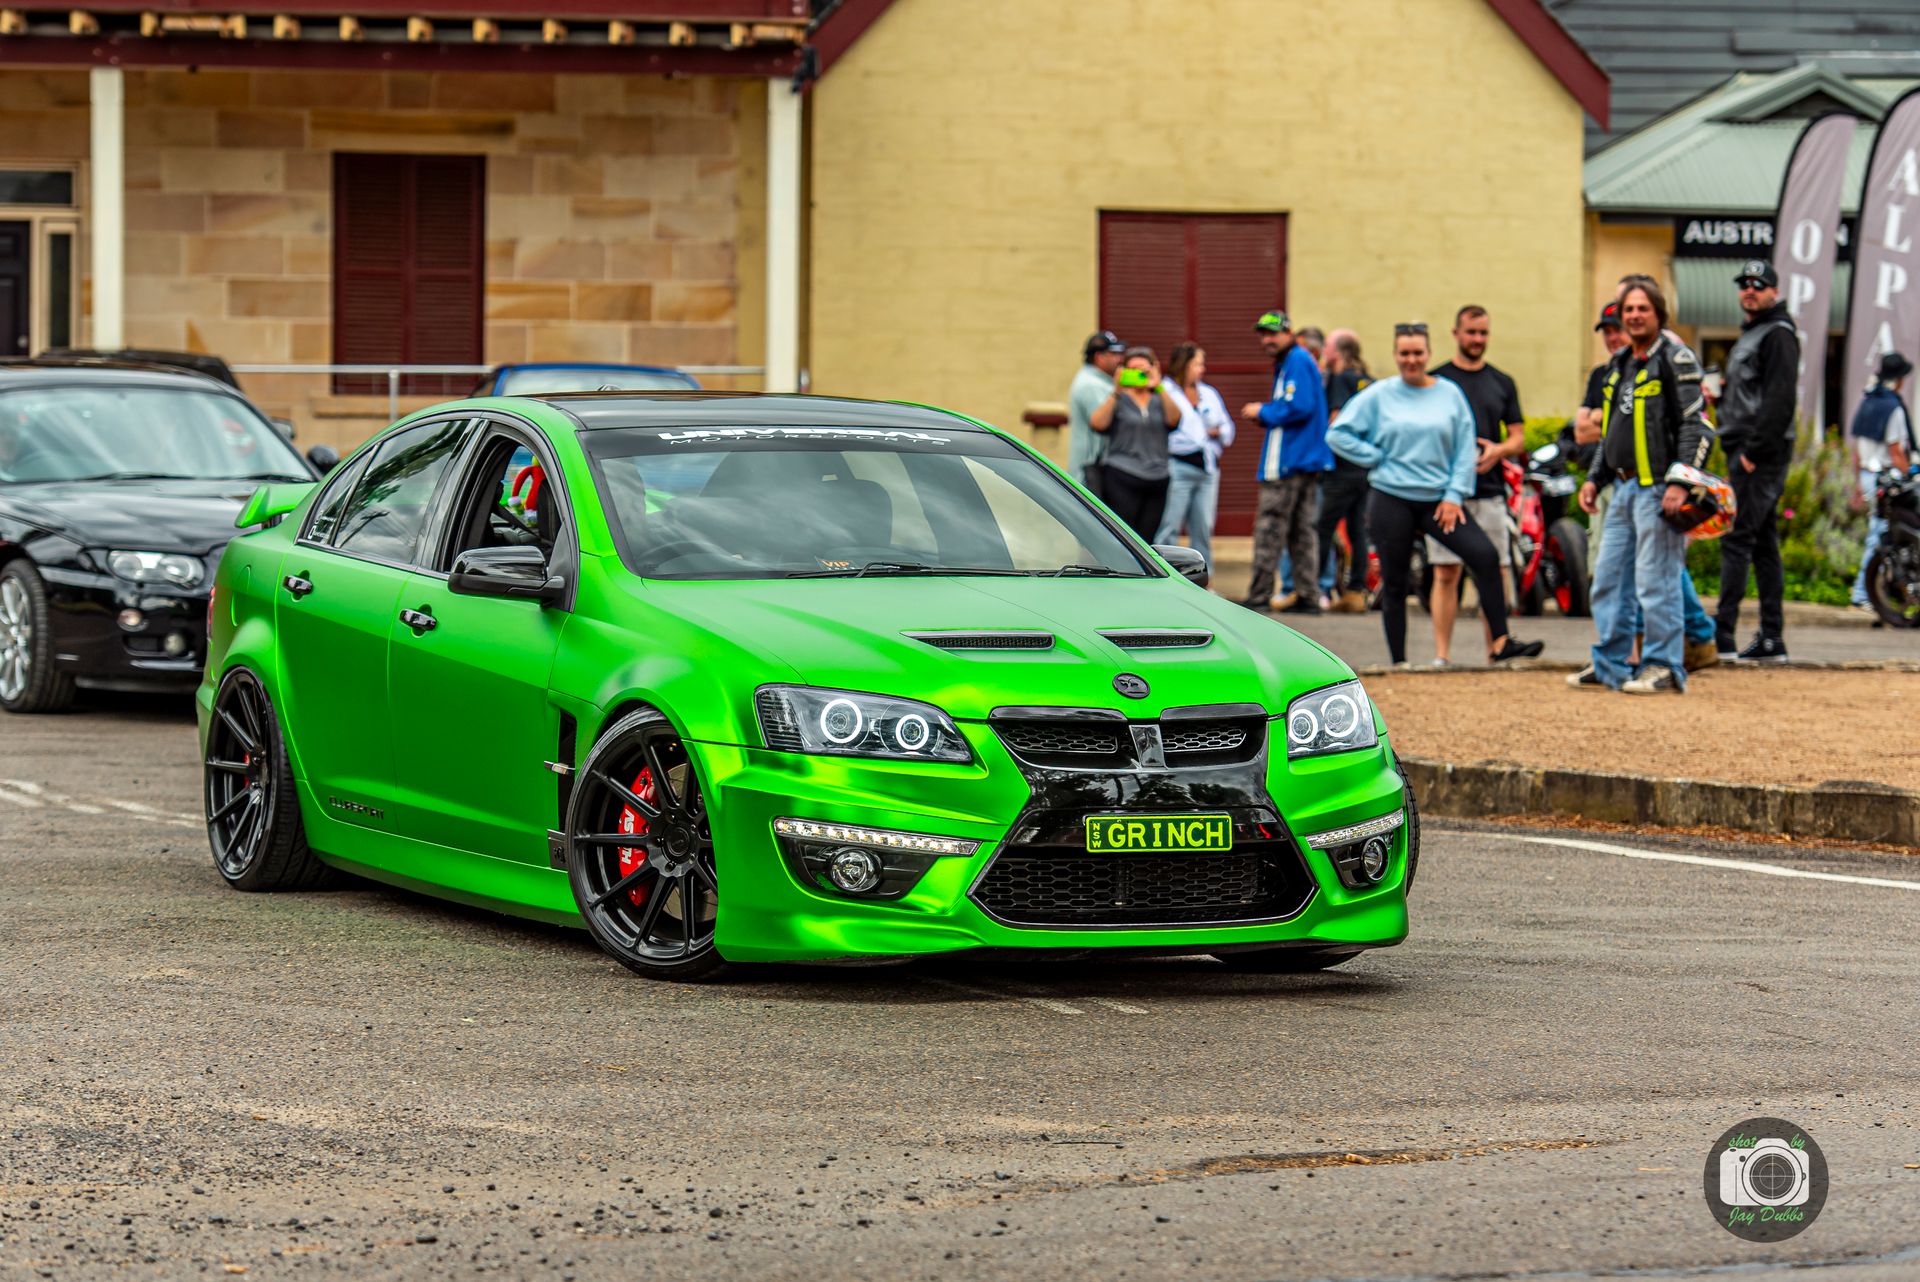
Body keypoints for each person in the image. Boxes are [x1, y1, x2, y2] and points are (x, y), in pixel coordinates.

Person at [1327, 323, 1543, 667]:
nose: (1411, 360)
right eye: (1404, 354)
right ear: (1396, 355)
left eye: (1417, 353)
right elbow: (1338, 434)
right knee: (1395, 582)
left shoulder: (1449, 394)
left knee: (1486, 557)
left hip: (1438, 501)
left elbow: (1463, 448)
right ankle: (1399, 662)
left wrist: (1454, 496)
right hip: (1391, 497)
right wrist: (1375, 457)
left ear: (1428, 354)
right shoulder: (1380, 394)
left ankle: (1500, 642)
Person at [1569, 281, 1712, 694]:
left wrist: (1681, 482)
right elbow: (1614, 429)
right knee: (1609, 579)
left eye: (1642, 308)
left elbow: (1696, 424)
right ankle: (1611, 664)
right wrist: (1595, 479)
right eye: (1628, 309)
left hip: (1658, 491)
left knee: (1657, 580)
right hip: (1622, 490)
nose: (1633, 316)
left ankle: (1664, 666)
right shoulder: (1619, 364)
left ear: (1658, 314)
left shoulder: (1676, 358)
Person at [1426, 305, 1525, 666]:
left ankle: (1496, 650)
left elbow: (1518, 438)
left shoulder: (1502, 382)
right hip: (1446, 496)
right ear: (1455, 333)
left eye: (1483, 333)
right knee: (1446, 572)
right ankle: (1442, 655)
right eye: (1471, 332)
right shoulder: (1436, 381)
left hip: (1490, 492)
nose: (1478, 340)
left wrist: (1498, 451)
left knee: (1496, 569)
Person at [1713, 259, 1801, 664]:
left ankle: (1723, 638)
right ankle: (1771, 639)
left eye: (1758, 285)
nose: (1749, 290)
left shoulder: (1778, 335)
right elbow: (1752, 393)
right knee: (1763, 544)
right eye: (1744, 284)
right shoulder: (1755, 333)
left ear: (1774, 292)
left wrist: (1753, 452)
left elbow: (1780, 401)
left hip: (1757, 454)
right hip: (1744, 447)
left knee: (1736, 539)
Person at [1239, 311, 1332, 612]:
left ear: (1289, 333)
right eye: (1263, 334)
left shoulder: (1296, 361)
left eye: (1273, 333)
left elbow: (1299, 406)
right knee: (1302, 531)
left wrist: (1262, 411)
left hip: (1287, 462)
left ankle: (1259, 596)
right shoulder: (1297, 361)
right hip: (1305, 461)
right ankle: (1308, 596)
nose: (1267, 339)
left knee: (1270, 529)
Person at [1153, 342, 1234, 567]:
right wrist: (1202, 433)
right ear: (1184, 365)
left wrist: (1215, 431)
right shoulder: (1165, 391)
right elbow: (1167, 429)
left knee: (1204, 527)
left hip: (1208, 469)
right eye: (1198, 364)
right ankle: (1166, 576)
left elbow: (1228, 429)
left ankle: (1204, 580)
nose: (1202, 369)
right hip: (1178, 466)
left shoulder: (1208, 394)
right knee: (1170, 526)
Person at [1088, 345, 1181, 539]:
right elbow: (1097, 423)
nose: (1139, 374)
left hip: (1157, 476)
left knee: (1147, 539)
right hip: (1123, 474)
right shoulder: (1119, 398)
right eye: (1133, 370)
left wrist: (1159, 386)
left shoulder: (1159, 399)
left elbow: (1174, 419)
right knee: (1124, 536)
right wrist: (1116, 392)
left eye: (1144, 370)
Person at [1850, 351, 1916, 611]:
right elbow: (1896, 450)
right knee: (1881, 536)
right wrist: (1911, 474)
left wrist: (1857, 483)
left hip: (1867, 475)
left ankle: (1865, 592)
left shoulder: (1867, 402)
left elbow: (1856, 449)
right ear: (1899, 379)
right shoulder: (1893, 408)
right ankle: (1863, 593)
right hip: (1885, 479)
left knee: (1877, 535)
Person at [1315, 330, 1373, 612]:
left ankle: (1316, 588)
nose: (1324, 352)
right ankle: (1356, 590)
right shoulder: (1367, 381)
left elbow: (1336, 421)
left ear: (1337, 352)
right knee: (1357, 529)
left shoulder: (1340, 379)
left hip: (1340, 469)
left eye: (1327, 347)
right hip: (1365, 469)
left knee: (1322, 528)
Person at [1068, 330, 1126, 498]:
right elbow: (1102, 423)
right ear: (1099, 357)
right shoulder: (1091, 385)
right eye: (1114, 353)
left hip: (1093, 470)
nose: (1120, 359)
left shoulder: (1098, 381)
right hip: (1089, 471)